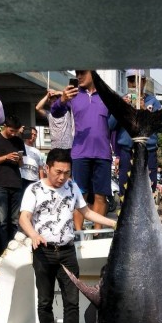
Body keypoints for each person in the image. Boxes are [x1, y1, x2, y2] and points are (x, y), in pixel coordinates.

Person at [19, 148, 116, 323]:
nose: (62, 177)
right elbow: (24, 217)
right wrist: (33, 234)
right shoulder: (33, 189)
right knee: (44, 300)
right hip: (43, 251)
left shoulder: (72, 187)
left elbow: (87, 212)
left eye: (66, 172)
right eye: (58, 172)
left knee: (72, 299)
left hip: (67, 251)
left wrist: (115, 223)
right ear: (47, 168)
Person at [50, 70, 112, 230]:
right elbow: (55, 113)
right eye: (77, 73)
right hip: (79, 153)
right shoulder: (73, 94)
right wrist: (62, 99)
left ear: (93, 73)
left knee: (100, 195)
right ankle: (78, 233)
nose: (79, 76)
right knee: (79, 195)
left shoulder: (107, 94)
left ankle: (98, 233)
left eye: (83, 72)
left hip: (103, 153)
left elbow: (118, 121)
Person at [109, 69, 162, 201]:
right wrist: (121, 108)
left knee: (150, 191)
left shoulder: (153, 102)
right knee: (125, 191)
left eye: (137, 80)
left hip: (148, 151)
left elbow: (160, 127)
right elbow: (110, 125)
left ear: (143, 81)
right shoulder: (121, 100)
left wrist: (145, 111)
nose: (134, 84)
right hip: (127, 152)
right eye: (131, 80)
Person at [0, 115, 25, 252]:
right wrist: (6, 157)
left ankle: (13, 250)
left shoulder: (18, 141)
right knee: (2, 221)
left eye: (15, 131)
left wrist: (18, 159)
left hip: (16, 183)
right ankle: (2, 250)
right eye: (11, 130)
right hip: (1, 184)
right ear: (4, 126)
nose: (13, 133)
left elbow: (22, 164)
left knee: (14, 221)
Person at [20, 126, 46, 193]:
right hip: (22, 179)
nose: (33, 136)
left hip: (34, 180)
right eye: (31, 134)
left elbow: (41, 168)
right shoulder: (20, 146)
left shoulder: (38, 152)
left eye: (35, 135)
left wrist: (42, 183)